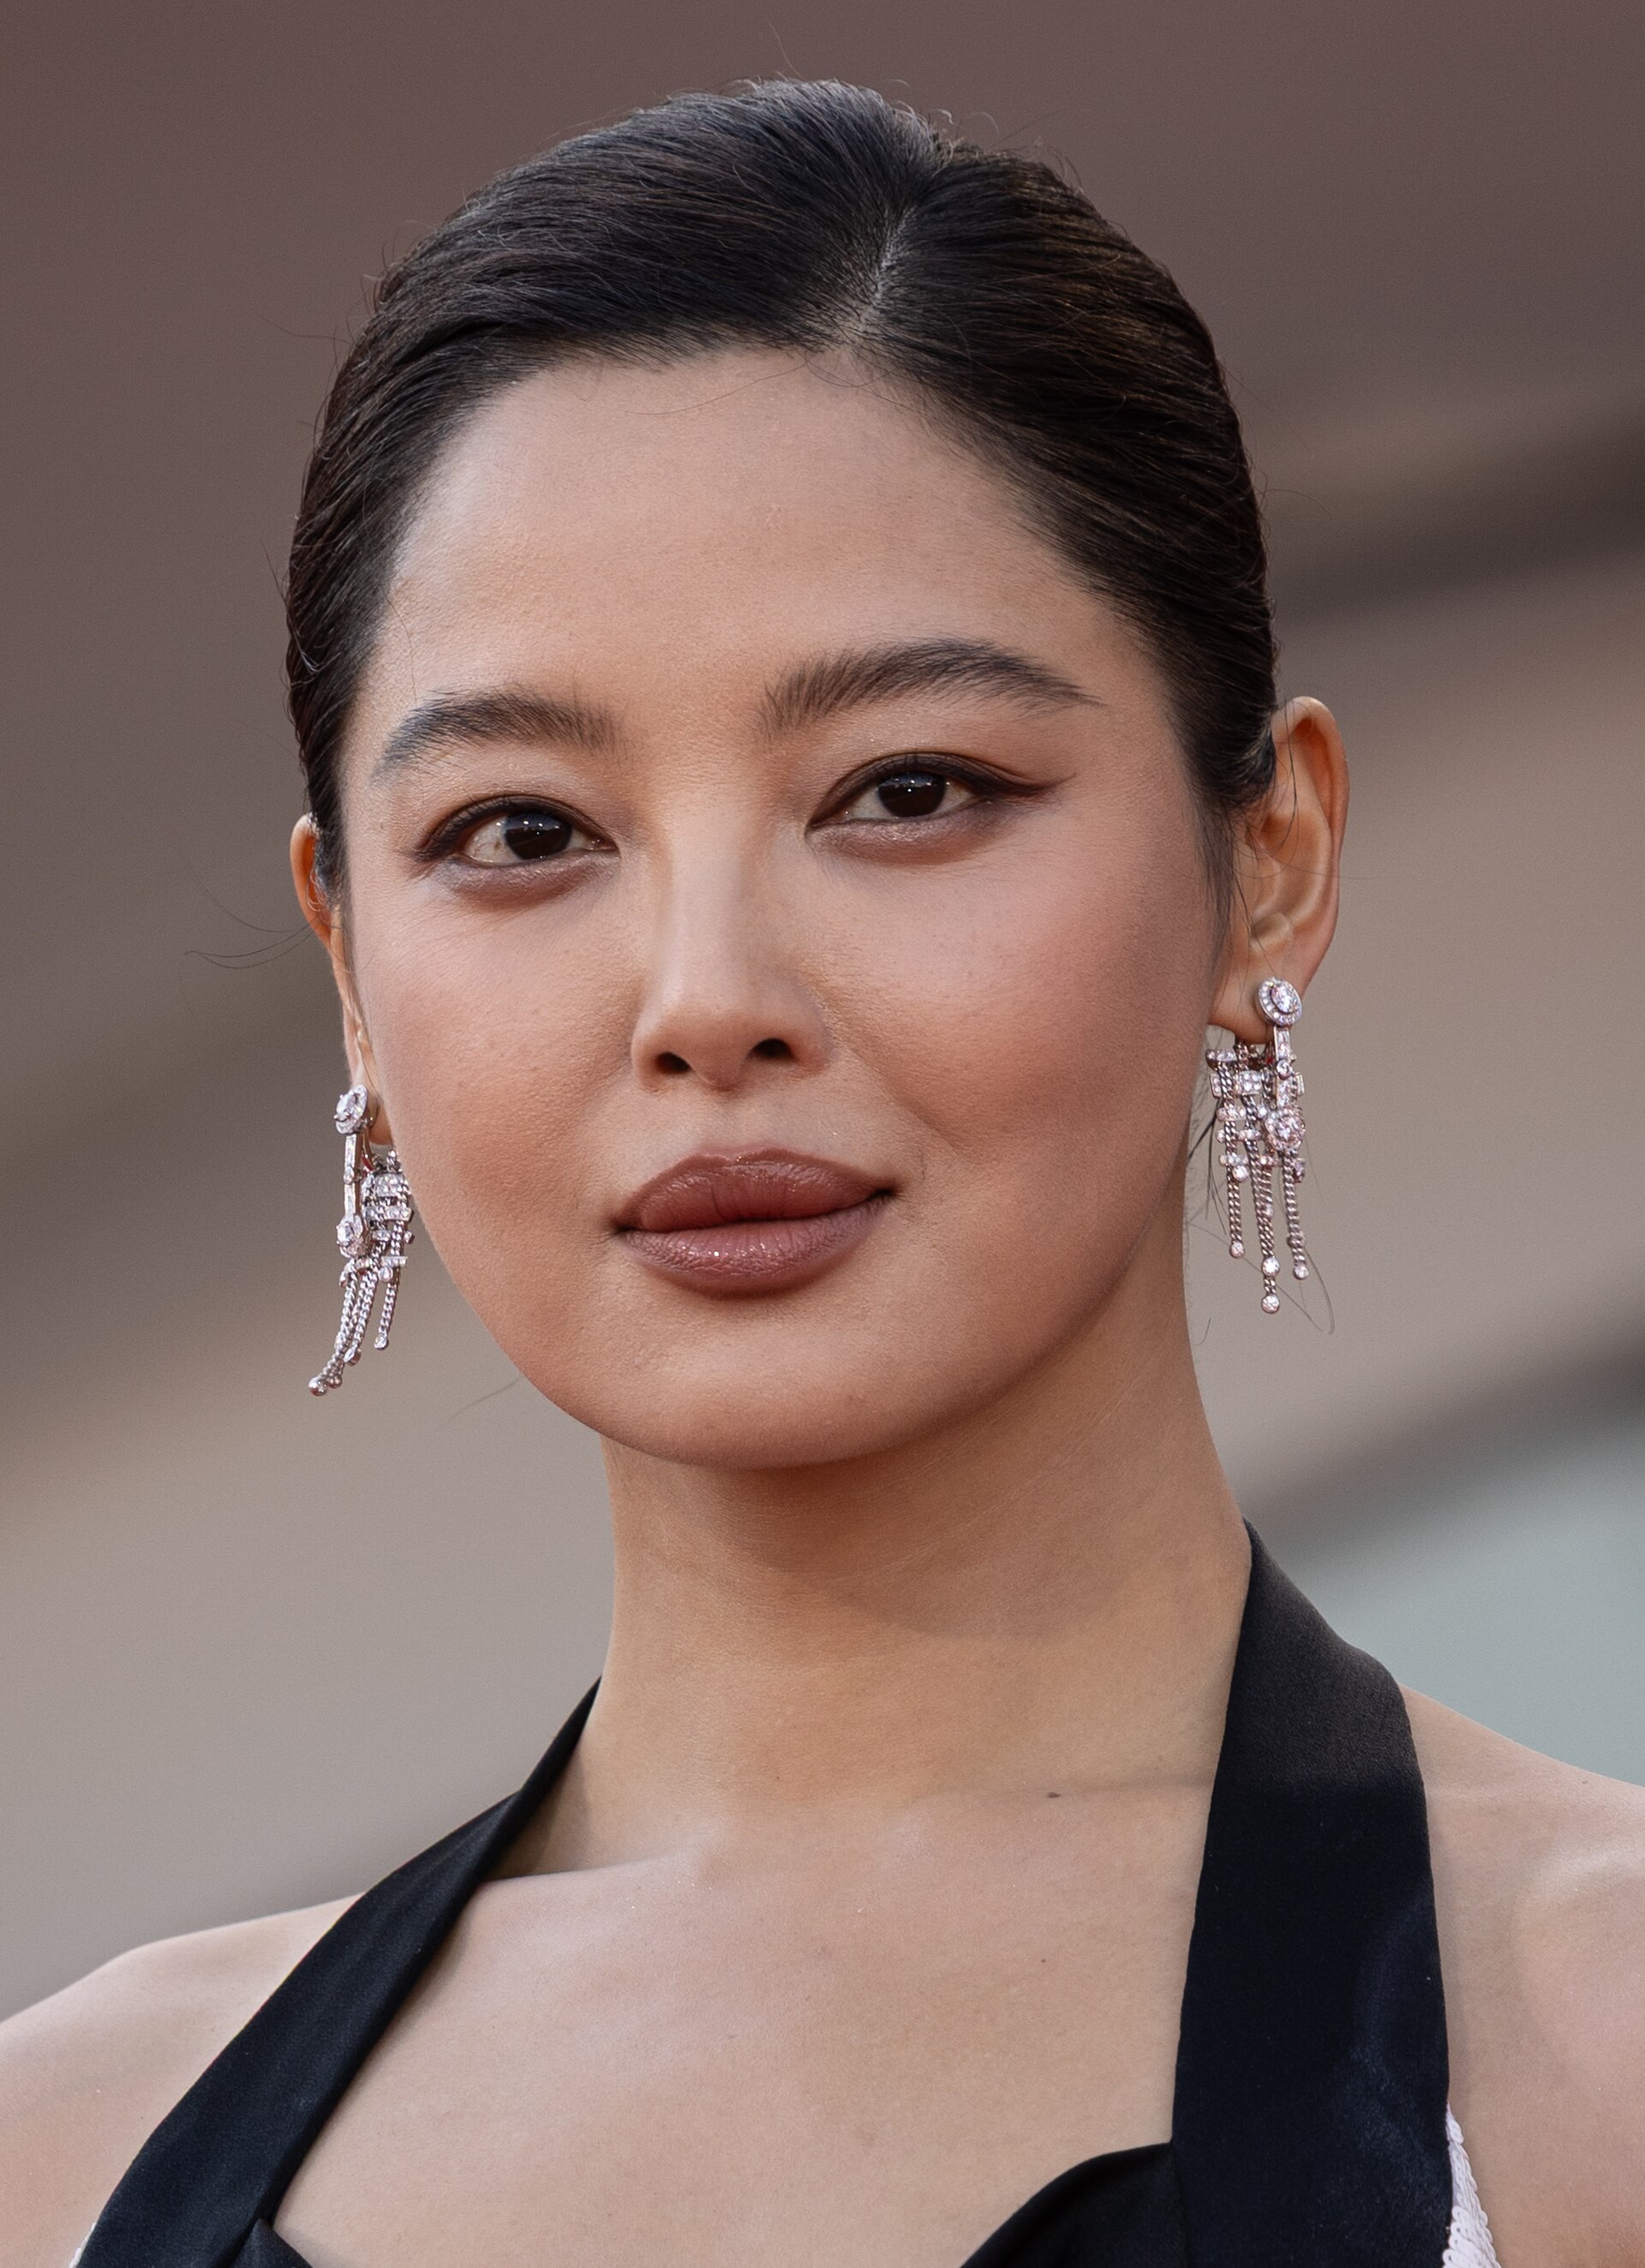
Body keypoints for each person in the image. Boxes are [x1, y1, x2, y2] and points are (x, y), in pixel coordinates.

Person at [3, 78, 1642, 2268]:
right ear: (353, 979)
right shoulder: (66, 2155)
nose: (706, 994)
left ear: (1270, 858)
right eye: (523, 833)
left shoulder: (1595, 2050)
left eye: (908, 788)